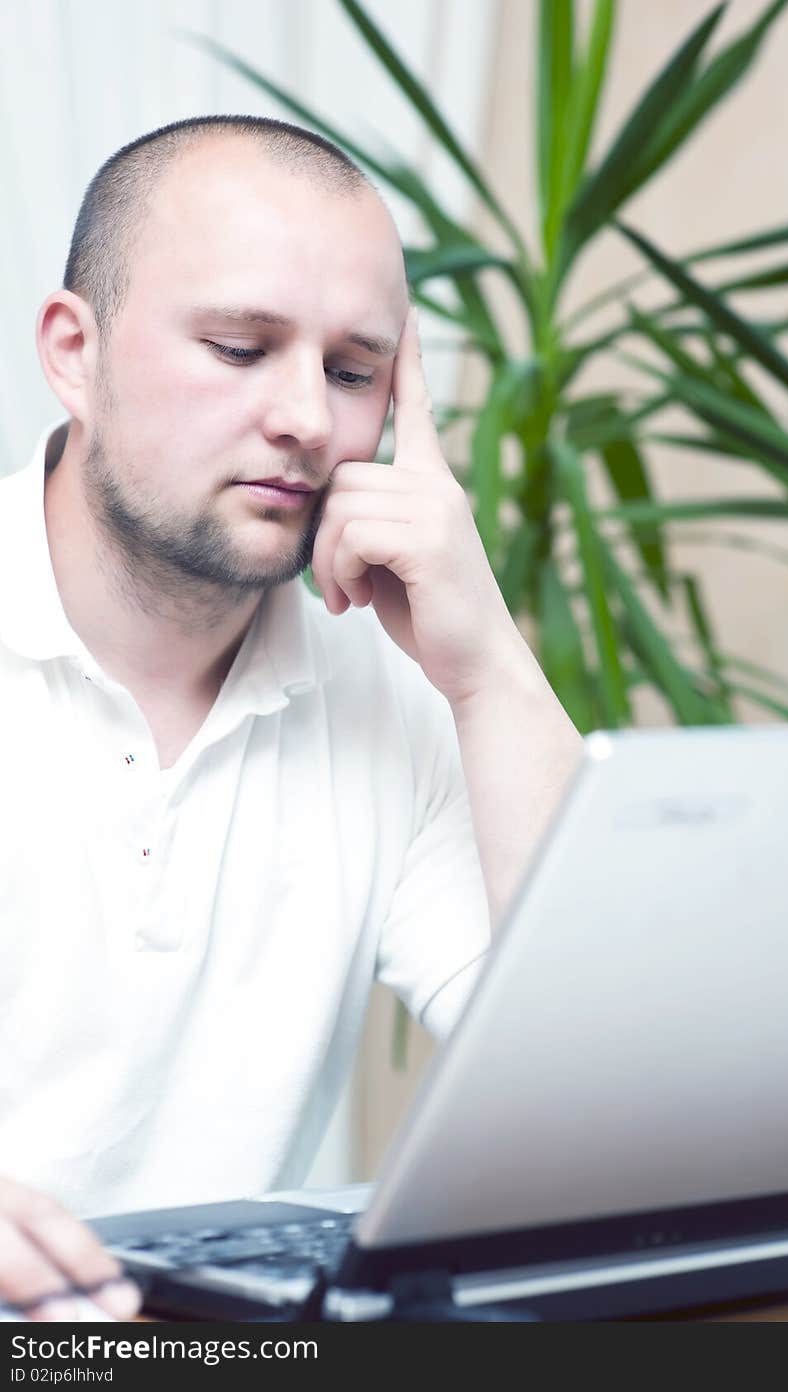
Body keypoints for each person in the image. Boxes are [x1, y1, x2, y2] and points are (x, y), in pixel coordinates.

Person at [0, 115, 583, 1320]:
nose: (309, 421)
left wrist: (490, 673)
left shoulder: (395, 688)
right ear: (73, 352)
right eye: (238, 346)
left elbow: (606, 1104)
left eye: (355, 369)